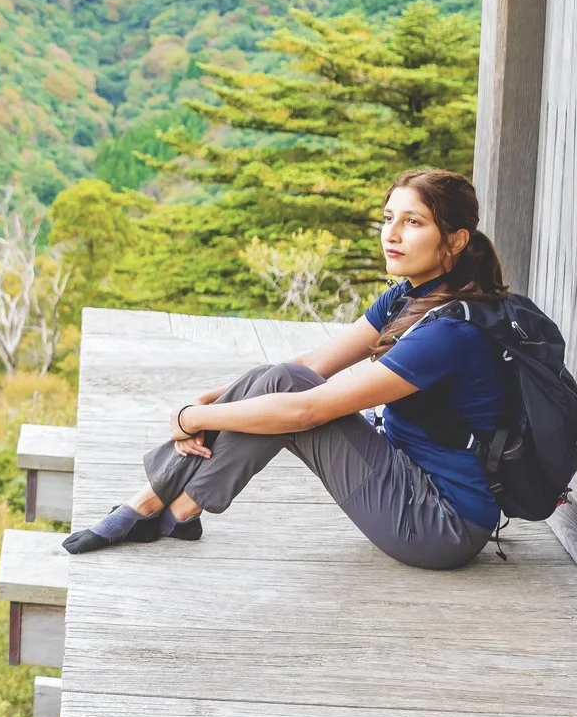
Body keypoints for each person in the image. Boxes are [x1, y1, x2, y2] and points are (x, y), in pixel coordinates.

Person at [62, 167, 512, 571]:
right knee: (282, 377)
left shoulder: (448, 331)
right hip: (408, 473)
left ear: (454, 240)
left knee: (292, 395)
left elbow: (306, 412)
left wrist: (192, 418)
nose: (391, 233)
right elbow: (314, 364)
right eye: (388, 217)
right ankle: (174, 507)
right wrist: (216, 399)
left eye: (413, 222)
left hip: (439, 522)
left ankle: (159, 502)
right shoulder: (409, 296)